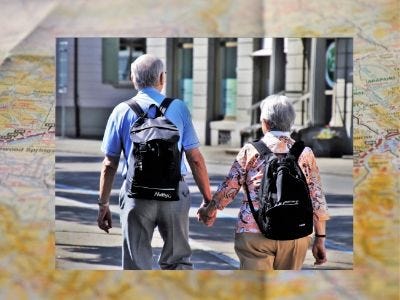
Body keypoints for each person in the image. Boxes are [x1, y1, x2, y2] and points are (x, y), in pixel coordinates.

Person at [97, 54, 212, 270]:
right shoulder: (178, 108)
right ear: (161, 77)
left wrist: (103, 204)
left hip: (136, 197)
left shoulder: (121, 111)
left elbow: (109, 164)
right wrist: (208, 200)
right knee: (178, 261)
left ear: (133, 79)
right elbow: (195, 159)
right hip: (174, 194)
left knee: (136, 264)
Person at [197, 94, 329, 270]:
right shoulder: (305, 153)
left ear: (265, 122)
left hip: (254, 233)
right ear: (291, 122)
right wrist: (320, 238)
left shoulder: (251, 150)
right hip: (295, 235)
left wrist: (209, 210)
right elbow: (317, 198)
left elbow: (230, 187)